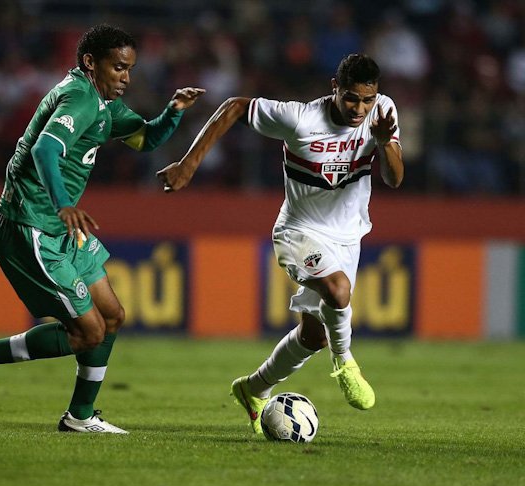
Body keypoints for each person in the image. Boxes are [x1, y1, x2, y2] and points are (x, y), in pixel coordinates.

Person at [0, 24, 204, 433]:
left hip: (58, 227)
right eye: (118, 67)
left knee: (112, 316)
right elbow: (45, 147)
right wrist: (64, 204)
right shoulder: (80, 97)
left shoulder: (102, 103)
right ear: (90, 62)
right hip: (29, 225)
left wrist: (172, 112)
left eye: (130, 69)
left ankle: (80, 417)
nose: (126, 77)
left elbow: (145, 139)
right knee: (88, 332)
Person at [157, 53, 404, 434]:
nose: (359, 108)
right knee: (338, 292)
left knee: (312, 335)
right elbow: (235, 107)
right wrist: (189, 164)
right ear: (334, 89)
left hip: (349, 235)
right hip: (299, 231)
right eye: (352, 98)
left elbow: (395, 178)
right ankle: (346, 363)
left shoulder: (382, 112)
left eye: (367, 100)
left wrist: (385, 142)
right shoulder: (301, 118)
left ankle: (253, 389)